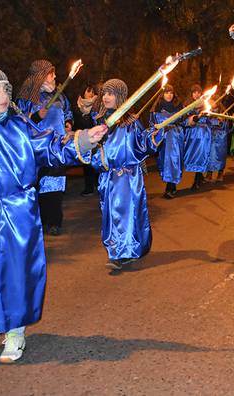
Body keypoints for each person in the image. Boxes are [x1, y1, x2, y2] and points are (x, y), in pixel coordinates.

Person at [0, 65, 107, 363]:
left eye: (5, 89)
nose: (4, 95)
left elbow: (50, 146)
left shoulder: (20, 127)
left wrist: (83, 140)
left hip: (18, 212)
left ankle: (15, 330)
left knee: (17, 272)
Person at [84, 79, 166, 270]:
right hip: (107, 176)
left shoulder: (131, 121)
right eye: (104, 93)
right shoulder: (99, 121)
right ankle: (125, 248)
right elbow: (93, 151)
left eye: (111, 94)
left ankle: (120, 253)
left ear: (120, 97)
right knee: (110, 215)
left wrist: (153, 134)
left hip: (127, 176)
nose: (106, 97)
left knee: (124, 213)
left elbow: (141, 145)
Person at [16, 60, 74, 236]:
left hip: (57, 147)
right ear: (40, 77)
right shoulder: (26, 98)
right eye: (51, 74)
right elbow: (19, 122)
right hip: (36, 150)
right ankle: (37, 221)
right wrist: (36, 116)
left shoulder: (60, 95)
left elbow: (68, 111)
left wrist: (68, 123)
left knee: (55, 186)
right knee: (37, 187)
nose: (55, 77)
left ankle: (54, 221)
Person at [149, 84, 183, 199]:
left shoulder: (178, 107)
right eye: (167, 92)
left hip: (175, 139)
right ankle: (169, 185)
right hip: (162, 140)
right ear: (162, 94)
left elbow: (183, 121)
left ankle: (171, 187)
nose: (169, 95)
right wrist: (155, 129)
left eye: (171, 93)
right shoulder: (156, 108)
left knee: (173, 161)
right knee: (164, 162)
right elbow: (152, 124)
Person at [75, 84, 101, 196]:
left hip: (95, 137)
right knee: (86, 163)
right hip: (83, 138)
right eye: (88, 91)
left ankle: (98, 184)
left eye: (92, 91)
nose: (90, 93)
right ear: (83, 92)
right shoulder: (77, 105)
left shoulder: (97, 104)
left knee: (96, 161)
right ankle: (89, 187)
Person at [183, 84, 211, 190]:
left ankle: (197, 180)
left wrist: (212, 118)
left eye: (199, 92)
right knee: (193, 155)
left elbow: (210, 121)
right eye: (194, 92)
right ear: (191, 93)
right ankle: (199, 177)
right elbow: (184, 120)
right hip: (192, 134)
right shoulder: (187, 105)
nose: (196, 94)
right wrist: (193, 119)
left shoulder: (205, 105)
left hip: (203, 134)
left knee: (201, 155)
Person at [205, 98, 229, 183]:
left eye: (213, 101)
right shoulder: (208, 111)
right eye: (210, 101)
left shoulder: (224, 112)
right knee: (210, 155)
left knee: (220, 155)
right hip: (211, 136)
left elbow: (227, 126)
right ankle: (209, 173)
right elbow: (207, 122)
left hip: (221, 137)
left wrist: (222, 121)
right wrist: (215, 121)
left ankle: (220, 173)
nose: (211, 103)